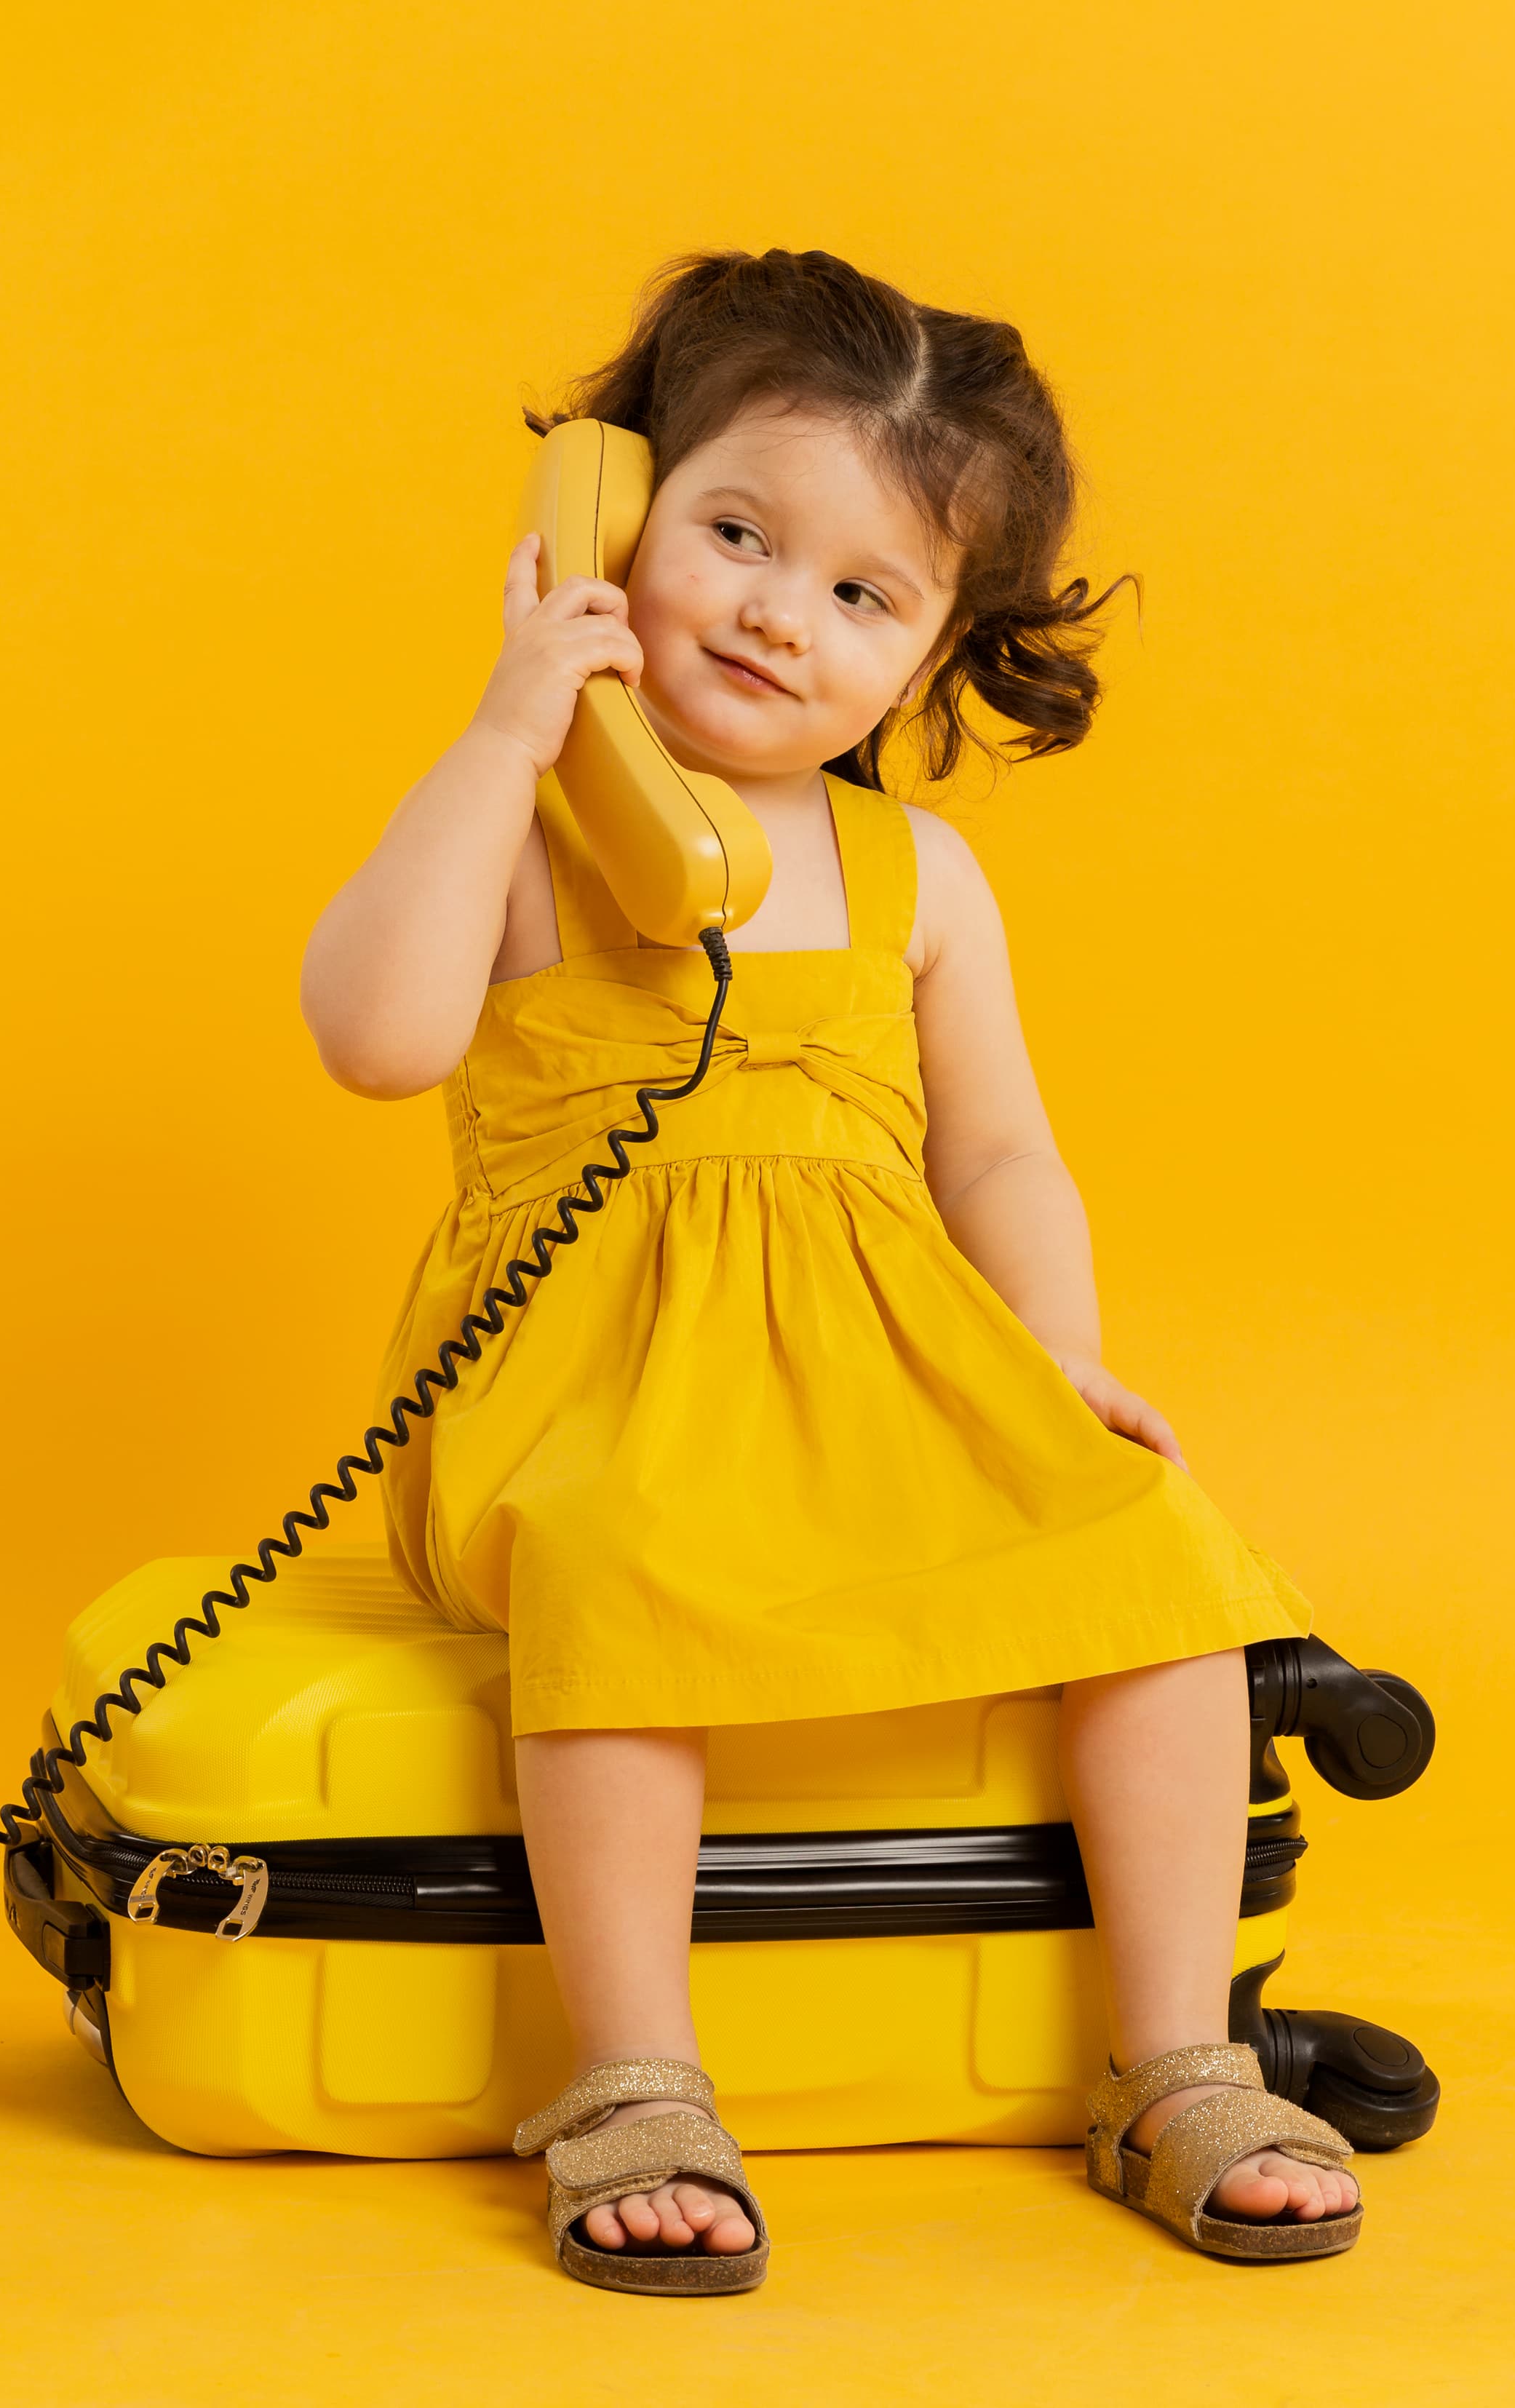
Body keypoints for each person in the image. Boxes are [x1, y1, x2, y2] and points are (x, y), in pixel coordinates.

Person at [298, 249, 1365, 2293]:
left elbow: (1000, 1151)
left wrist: (1055, 1361)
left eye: (867, 595)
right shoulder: (521, 834)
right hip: (581, 1404)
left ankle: (1178, 2064)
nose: (786, 611)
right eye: (734, 535)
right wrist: (512, 731)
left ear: (938, 652)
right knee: (625, 1567)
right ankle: (631, 2077)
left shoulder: (917, 879)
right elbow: (374, 1037)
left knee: (1161, 1564)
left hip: (876, 1380)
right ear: (612, 520)